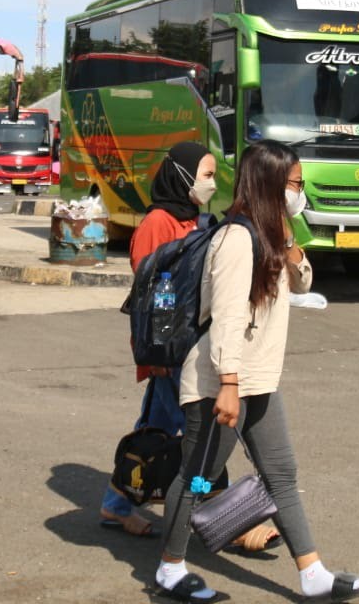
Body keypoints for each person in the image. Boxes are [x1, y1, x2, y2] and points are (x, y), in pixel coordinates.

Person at [152, 140, 359, 603]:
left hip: (260, 380)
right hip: (221, 381)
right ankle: (169, 569)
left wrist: (287, 237)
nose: (300, 192)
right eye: (295, 184)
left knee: (281, 474)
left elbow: (303, 282)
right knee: (197, 478)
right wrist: (229, 384)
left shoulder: (269, 235)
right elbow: (228, 317)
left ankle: (313, 574)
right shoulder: (235, 239)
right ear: (271, 184)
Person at [100, 142, 280, 552]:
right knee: (204, 439)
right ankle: (228, 519)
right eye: (206, 175)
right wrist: (161, 352)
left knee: (160, 434)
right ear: (181, 176)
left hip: (193, 346)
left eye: (214, 175)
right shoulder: (158, 223)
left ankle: (117, 503)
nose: (212, 184)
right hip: (172, 352)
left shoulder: (197, 220)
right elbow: (151, 293)